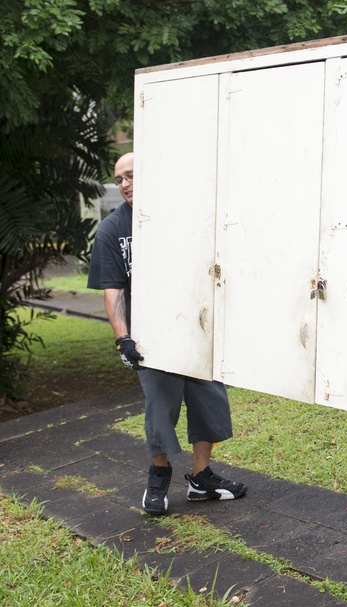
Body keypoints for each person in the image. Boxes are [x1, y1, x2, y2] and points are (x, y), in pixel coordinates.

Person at [87, 152, 247, 516]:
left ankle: (201, 478)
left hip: (192, 326)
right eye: (119, 180)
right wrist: (123, 337)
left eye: (131, 176)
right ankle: (158, 474)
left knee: (209, 399)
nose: (125, 184)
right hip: (151, 336)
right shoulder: (113, 229)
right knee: (161, 406)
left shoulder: (178, 218)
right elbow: (112, 289)